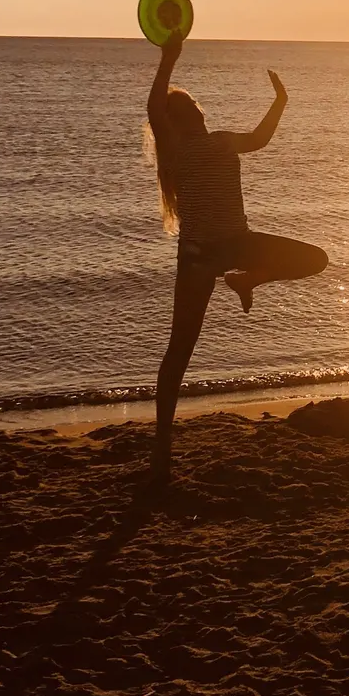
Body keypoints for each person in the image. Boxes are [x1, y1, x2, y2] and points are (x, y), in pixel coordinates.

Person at [145, 31, 327, 485]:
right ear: (185, 117)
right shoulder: (174, 149)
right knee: (178, 352)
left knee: (315, 259)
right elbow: (154, 109)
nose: (193, 113)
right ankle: (162, 444)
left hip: (237, 245)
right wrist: (170, 57)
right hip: (199, 257)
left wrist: (281, 101)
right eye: (184, 109)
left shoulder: (224, 141)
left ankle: (249, 281)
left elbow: (261, 138)